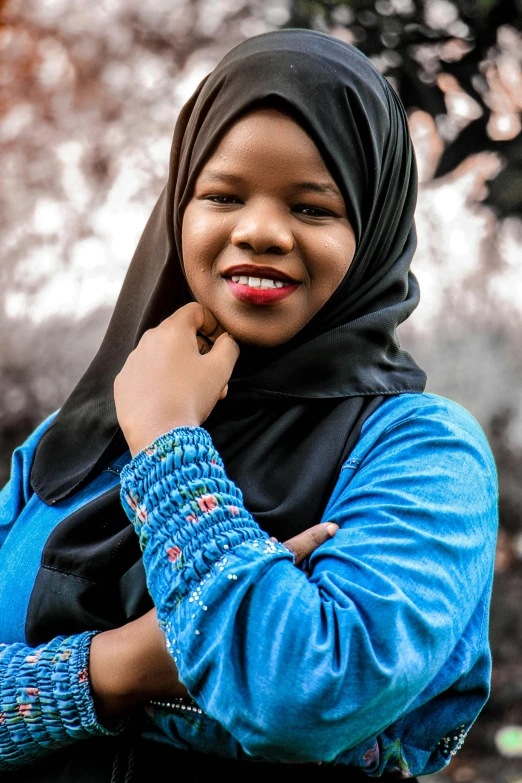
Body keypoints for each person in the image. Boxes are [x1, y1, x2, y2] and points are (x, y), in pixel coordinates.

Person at [0, 29, 497, 782]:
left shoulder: (423, 454)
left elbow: (304, 695)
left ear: (374, 231)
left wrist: (168, 441)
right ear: (178, 212)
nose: (261, 231)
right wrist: (126, 664)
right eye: (223, 195)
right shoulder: (65, 448)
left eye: (313, 207)